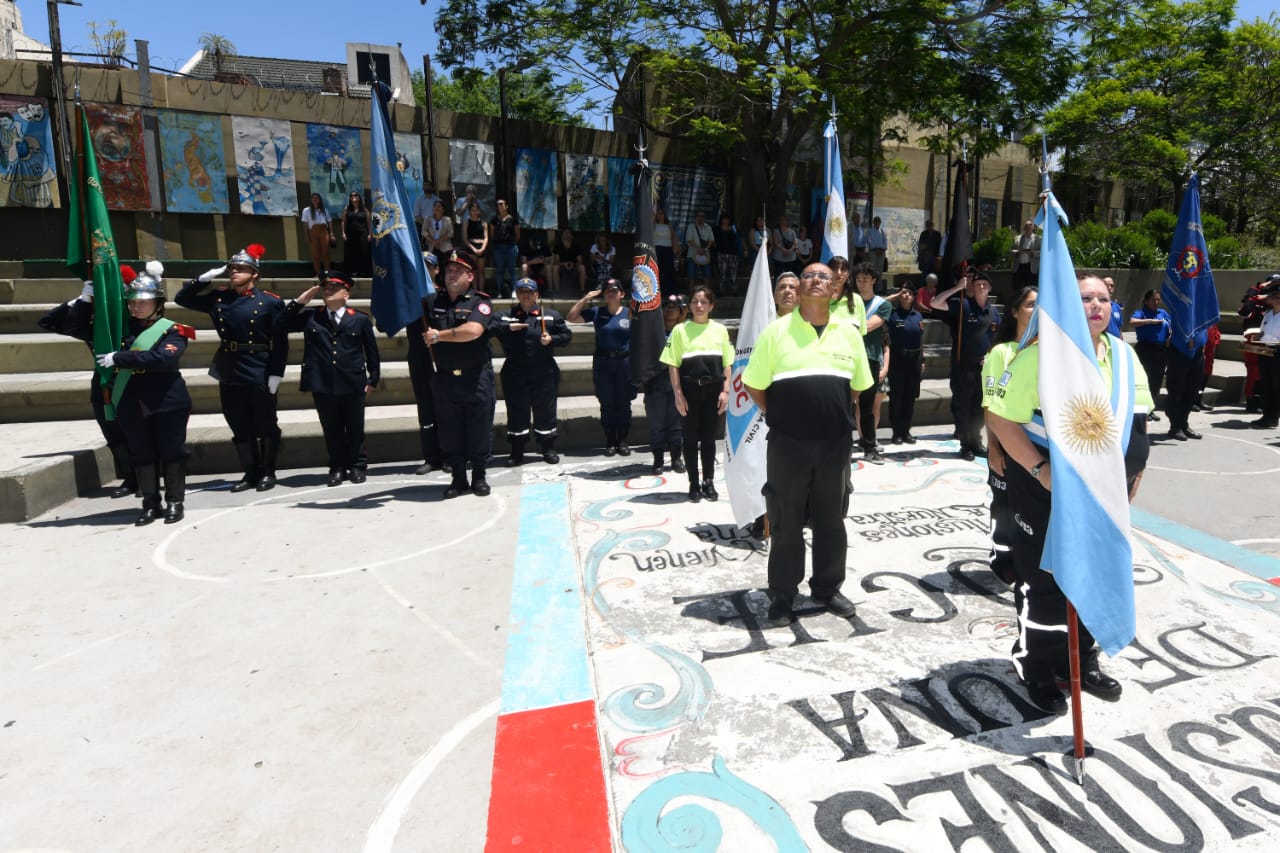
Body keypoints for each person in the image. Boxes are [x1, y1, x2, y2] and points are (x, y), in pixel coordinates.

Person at [985, 273, 1152, 714]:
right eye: (1084, 298)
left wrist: (1135, 474)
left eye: (1103, 298)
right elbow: (1002, 420)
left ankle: (1079, 659)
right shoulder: (1038, 356)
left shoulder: (1123, 355)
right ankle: (1038, 666)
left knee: (1092, 575)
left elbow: (1136, 421)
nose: (1096, 305)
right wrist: (1039, 470)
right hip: (1044, 489)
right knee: (1045, 582)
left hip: (1104, 492)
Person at [743, 261, 874, 627]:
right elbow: (754, 385)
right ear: (798, 288)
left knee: (832, 519)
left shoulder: (849, 334)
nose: (816, 280)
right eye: (808, 276)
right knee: (785, 521)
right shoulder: (776, 333)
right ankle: (783, 593)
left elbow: (857, 387)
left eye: (825, 277)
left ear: (835, 291)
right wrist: (784, 414)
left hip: (834, 446)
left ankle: (827, 587)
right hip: (788, 445)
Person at [176, 244, 289, 492]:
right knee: (238, 423)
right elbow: (181, 299)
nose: (234, 272)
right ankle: (250, 472)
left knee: (265, 423)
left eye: (241, 269)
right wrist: (203, 279)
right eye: (232, 269)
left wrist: (276, 372)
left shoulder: (270, 302)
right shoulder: (220, 297)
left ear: (255, 274)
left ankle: (268, 472)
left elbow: (280, 341)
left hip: (259, 366)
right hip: (229, 367)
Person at [95, 264, 195, 526]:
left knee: (172, 451)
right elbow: (59, 323)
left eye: (143, 302)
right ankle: (150, 503)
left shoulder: (172, 330)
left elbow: (162, 358)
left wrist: (120, 357)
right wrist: (83, 301)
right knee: (141, 452)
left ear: (157, 304)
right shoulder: (120, 331)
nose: (136, 307)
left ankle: (175, 502)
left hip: (166, 400)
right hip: (131, 401)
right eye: (132, 302)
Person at [38, 269, 137, 498]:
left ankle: (148, 478)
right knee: (113, 432)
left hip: (135, 382)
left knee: (139, 432)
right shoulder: (96, 324)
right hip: (105, 383)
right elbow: (48, 322)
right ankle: (131, 479)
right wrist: (81, 301)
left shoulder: (137, 317)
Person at [284, 270, 380, 486]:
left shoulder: (360, 319)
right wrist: (301, 300)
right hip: (322, 382)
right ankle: (337, 466)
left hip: (352, 381)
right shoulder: (311, 316)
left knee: (355, 427)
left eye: (335, 288)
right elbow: (283, 322)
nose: (328, 291)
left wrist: (373, 379)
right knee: (331, 427)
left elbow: (371, 351)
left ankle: (357, 466)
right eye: (326, 288)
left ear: (346, 294)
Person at [422, 251, 497, 498]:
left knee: (478, 428)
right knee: (450, 431)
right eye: (448, 270)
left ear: (470, 276)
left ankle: (479, 476)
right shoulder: (432, 302)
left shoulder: (480, 303)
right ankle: (458, 478)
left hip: (475, 378)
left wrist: (439, 335)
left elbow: (473, 330)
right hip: (445, 378)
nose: (451, 274)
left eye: (457, 271)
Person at [980, 285, 1037, 588]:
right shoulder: (1001, 353)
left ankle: (1027, 558)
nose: (1036, 311)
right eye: (1029, 305)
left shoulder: (1047, 353)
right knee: (1005, 507)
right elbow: (991, 404)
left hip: (1036, 449)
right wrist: (994, 448)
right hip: (1006, 446)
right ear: (1014, 311)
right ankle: (1002, 558)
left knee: (1029, 510)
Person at [662, 285, 733, 502]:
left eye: (704, 302)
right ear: (690, 305)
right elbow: (673, 364)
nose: (699, 305)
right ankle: (693, 482)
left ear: (711, 306)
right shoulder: (680, 330)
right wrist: (678, 394)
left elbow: (727, 363)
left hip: (713, 391)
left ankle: (708, 481)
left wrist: (726, 390)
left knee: (710, 440)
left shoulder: (720, 330)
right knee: (690, 439)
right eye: (695, 301)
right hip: (689, 390)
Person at [494, 277, 572, 466]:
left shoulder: (550, 315)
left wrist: (551, 339)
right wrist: (507, 327)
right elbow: (488, 327)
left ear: (537, 294)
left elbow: (566, 336)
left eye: (529, 292)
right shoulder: (506, 315)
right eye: (521, 292)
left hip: (543, 371)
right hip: (515, 372)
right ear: (517, 295)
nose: (525, 295)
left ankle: (547, 448)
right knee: (516, 412)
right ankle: (517, 451)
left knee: (545, 410)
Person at [931, 268, 1000, 461]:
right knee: (964, 405)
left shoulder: (993, 312)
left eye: (984, 284)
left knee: (979, 406)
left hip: (985, 368)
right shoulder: (963, 306)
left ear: (990, 288)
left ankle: (976, 441)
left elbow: (999, 338)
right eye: (977, 284)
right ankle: (965, 444)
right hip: (964, 366)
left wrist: (991, 355)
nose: (980, 286)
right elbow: (935, 303)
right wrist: (957, 287)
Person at [568, 279, 635, 456]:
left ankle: (623, 440)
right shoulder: (598, 312)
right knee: (607, 403)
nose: (610, 293)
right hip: (604, 362)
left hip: (624, 363)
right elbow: (571, 318)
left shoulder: (630, 313)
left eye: (614, 290)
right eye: (607, 291)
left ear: (622, 294)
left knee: (623, 402)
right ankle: (610, 441)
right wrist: (585, 299)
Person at [645, 294, 689, 476]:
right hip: (656, 383)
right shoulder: (652, 331)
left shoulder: (684, 331)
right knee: (657, 424)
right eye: (667, 306)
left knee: (676, 423)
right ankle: (658, 459)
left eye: (674, 307)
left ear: (680, 311)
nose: (670, 310)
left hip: (678, 384)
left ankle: (676, 458)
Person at [852, 262, 892, 463]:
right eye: (858, 280)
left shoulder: (883, 305)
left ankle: (870, 447)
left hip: (870, 359)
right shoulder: (848, 301)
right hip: (846, 358)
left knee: (867, 406)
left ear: (874, 280)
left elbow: (868, 326)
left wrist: (845, 324)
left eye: (865, 280)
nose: (861, 284)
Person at [885, 285, 924, 445]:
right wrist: (894, 296)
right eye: (903, 293)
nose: (906, 295)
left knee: (910, 396)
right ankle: (896, 432)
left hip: (914, 359)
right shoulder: (892, 314)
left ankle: (906, 431)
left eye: (909, 292)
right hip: (897, 359)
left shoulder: (918, 315)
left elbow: (921, 339)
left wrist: (923, 360)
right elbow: (878, 304)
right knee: (897, 396)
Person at [1129, 289, 1170, 423]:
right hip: (1145, 348)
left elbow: (1170, 326)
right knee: (1144, 379)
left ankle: (1151, 409)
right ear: (1146, 301)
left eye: (1158, 299)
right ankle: (1142, 410)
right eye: (1153, 299)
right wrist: (1150, 321)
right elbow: (1132, 322)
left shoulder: (1162, 313)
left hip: (1161, 350)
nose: (1156, 302)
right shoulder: (1141, 313)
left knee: (1156, 381)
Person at [1239, 274, 1278, 413]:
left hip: (1273, 343)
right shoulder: (1255, 299)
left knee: (1270, 375)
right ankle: (1252, 401)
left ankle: (1265, 402)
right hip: (1254, 340)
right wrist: (1256, 290)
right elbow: (1244, 311)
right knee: (1254, 371)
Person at [1249, 286, 1280, 429]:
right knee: (1265, 384)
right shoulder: (1267, 314)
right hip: (1264, 350)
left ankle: (1274, 417)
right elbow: (1263, 331)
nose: (1276, 299)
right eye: (1274, 297)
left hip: (1277, 352)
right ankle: (1266, 415)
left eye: (1278, 297)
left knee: (1276, 385)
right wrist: (1257, 336)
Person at [490, 199, 521, 298]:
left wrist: (512, 242)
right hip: (498, 247)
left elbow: (517, 234)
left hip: (511, 247)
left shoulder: (513, 220)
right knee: (499, 270)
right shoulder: (494, 220)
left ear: (506, 206)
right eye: (497, 204)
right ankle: (500, 291)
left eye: (501, 204)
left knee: (512, 269)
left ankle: (514, 291)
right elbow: (492, 234)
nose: (499, 206)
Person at [301, 192, 333, 280]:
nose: (315, 200)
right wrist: (306, 235)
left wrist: (331, 234)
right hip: (313, 232)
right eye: (313, 198)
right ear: (311, 200)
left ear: (319, 200)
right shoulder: (306, 210)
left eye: (317, 198)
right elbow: (305, 224)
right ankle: (318, 273)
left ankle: (327, 273)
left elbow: (329, 221)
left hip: (323, 231)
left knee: (325, 253)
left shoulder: (324, 210)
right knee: (315, 254)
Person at [342, 192, 371, 277]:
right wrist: (343, 233)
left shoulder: (364, 209)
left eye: (355, 195)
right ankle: (352, 271)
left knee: (363, 252)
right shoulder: (347, 209)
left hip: (362, 233)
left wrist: (370, 234)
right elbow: (343, 221)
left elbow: (369, 222)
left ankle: (363, 271)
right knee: (351, 252)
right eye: (351, 196)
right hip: (350, 234)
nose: (353, 197)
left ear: (359, 198)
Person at [653, 207, 681, 293]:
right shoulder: (654, 224)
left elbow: (673, 237)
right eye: (659, 214)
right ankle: (658, 290)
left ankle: (670, 290)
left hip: (667, 249)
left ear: (665, 215)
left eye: (662, 214)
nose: (660, 216)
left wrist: (676, 248)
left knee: (669, 269)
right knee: (659, 269)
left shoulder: (668, 225)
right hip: (657, 249)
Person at [553, 228, 587, 295]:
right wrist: (564, 264)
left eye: (568, 233)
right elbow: (556, 261)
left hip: (574, 268)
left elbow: (580, 261)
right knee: (555, 267)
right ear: (562, 236)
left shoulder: (577, 247)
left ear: (572, 236)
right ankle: (557, 291)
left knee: (582, 267)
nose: (566, 235)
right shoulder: (557, 247)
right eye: (565, 233)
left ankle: (582, 291)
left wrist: (573, 264)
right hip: (562, 267)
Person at [713, 214, 740, 295]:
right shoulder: (716, 229)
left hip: (733, 254)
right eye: (724, 219)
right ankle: (721, 291)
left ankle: (734, 291)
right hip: (721, 253)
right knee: (722, 273)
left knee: (733, 273)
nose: (726, 221)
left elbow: (738, 239)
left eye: (727, 219)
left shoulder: (734, 228)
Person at [464, 202, 490, 287]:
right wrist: (473, 249)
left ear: (479, 211)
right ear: (470, 211)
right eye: (473, 210)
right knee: (473, 270)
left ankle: (481, 290)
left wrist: (482, 248)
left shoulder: (483, 223)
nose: (475, 212)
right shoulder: (466, 222)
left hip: (481, 246)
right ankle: (475, 290)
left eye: (476, 210)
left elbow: (486, 237)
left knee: (481, 270)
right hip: (471, 246)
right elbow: (465, 238)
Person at [519, 229, 552, 295]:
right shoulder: (525, 248)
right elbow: (524, 263)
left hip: (541, 271)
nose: (535, 246)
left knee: (548, 267)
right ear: (530, 242)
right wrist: (532, 261)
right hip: (531, 270)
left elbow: (549, 261)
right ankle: (524, 289)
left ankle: (550, 290)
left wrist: (542, 261)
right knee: (524, 266)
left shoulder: (544, 247)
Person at [684, 210, 715, 281]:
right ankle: (691, 291)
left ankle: (706, 291)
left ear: (704, 218)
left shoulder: (708, 228)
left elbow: (711, 240)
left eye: (702, 216)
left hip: (705, 254)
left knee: (707, 274)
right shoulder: (691, 227)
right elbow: (689, 240)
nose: (700, 218)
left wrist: (705, 249)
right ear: (695, 218)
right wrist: (699, 249)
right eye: (698, 216)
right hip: (692, 254)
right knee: (691, 275)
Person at [1010, 220, 1041, 288]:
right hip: (1019, 267)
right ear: (1024, 228)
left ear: (1033, 228)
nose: (1028, 228)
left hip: (1031, 268)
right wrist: (1017, 252)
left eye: (1030, 225)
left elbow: (1042, 253)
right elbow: (1011, 251)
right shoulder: (1017, 238)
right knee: (1017, 289)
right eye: (1026, 226)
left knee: (1031, 289)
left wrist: (1032, 253)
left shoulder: (1038, 238)